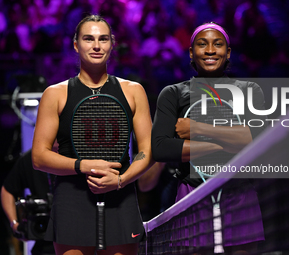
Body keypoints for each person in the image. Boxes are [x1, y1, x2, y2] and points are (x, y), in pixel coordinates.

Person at [31, 15, 153, 255]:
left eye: (103, 39)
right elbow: (39, 157)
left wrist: (120, 180)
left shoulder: (134, 91)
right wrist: (83, 165)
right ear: (76, 45)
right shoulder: (55, 94)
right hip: (71, 199)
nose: (96, 46)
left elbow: (148, 151)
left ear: (112, 44)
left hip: (121, 195)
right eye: (88, 39)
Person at [150, 22, 266, 254]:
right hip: (191, 195)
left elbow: (257, 141)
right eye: (202, 45)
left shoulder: (249, 90)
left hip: (240, 195)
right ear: (192, 52)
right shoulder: (173, 94)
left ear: (228, 52)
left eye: (218, 44)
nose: (210, 50)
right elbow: (161, 148)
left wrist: (195, 129)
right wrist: (227, 141)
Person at [1, 149, 55, 255]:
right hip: (44, 242)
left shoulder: (78, 157)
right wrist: (15, 224)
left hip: (80, 240)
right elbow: (7, 190)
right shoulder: (31, 158)